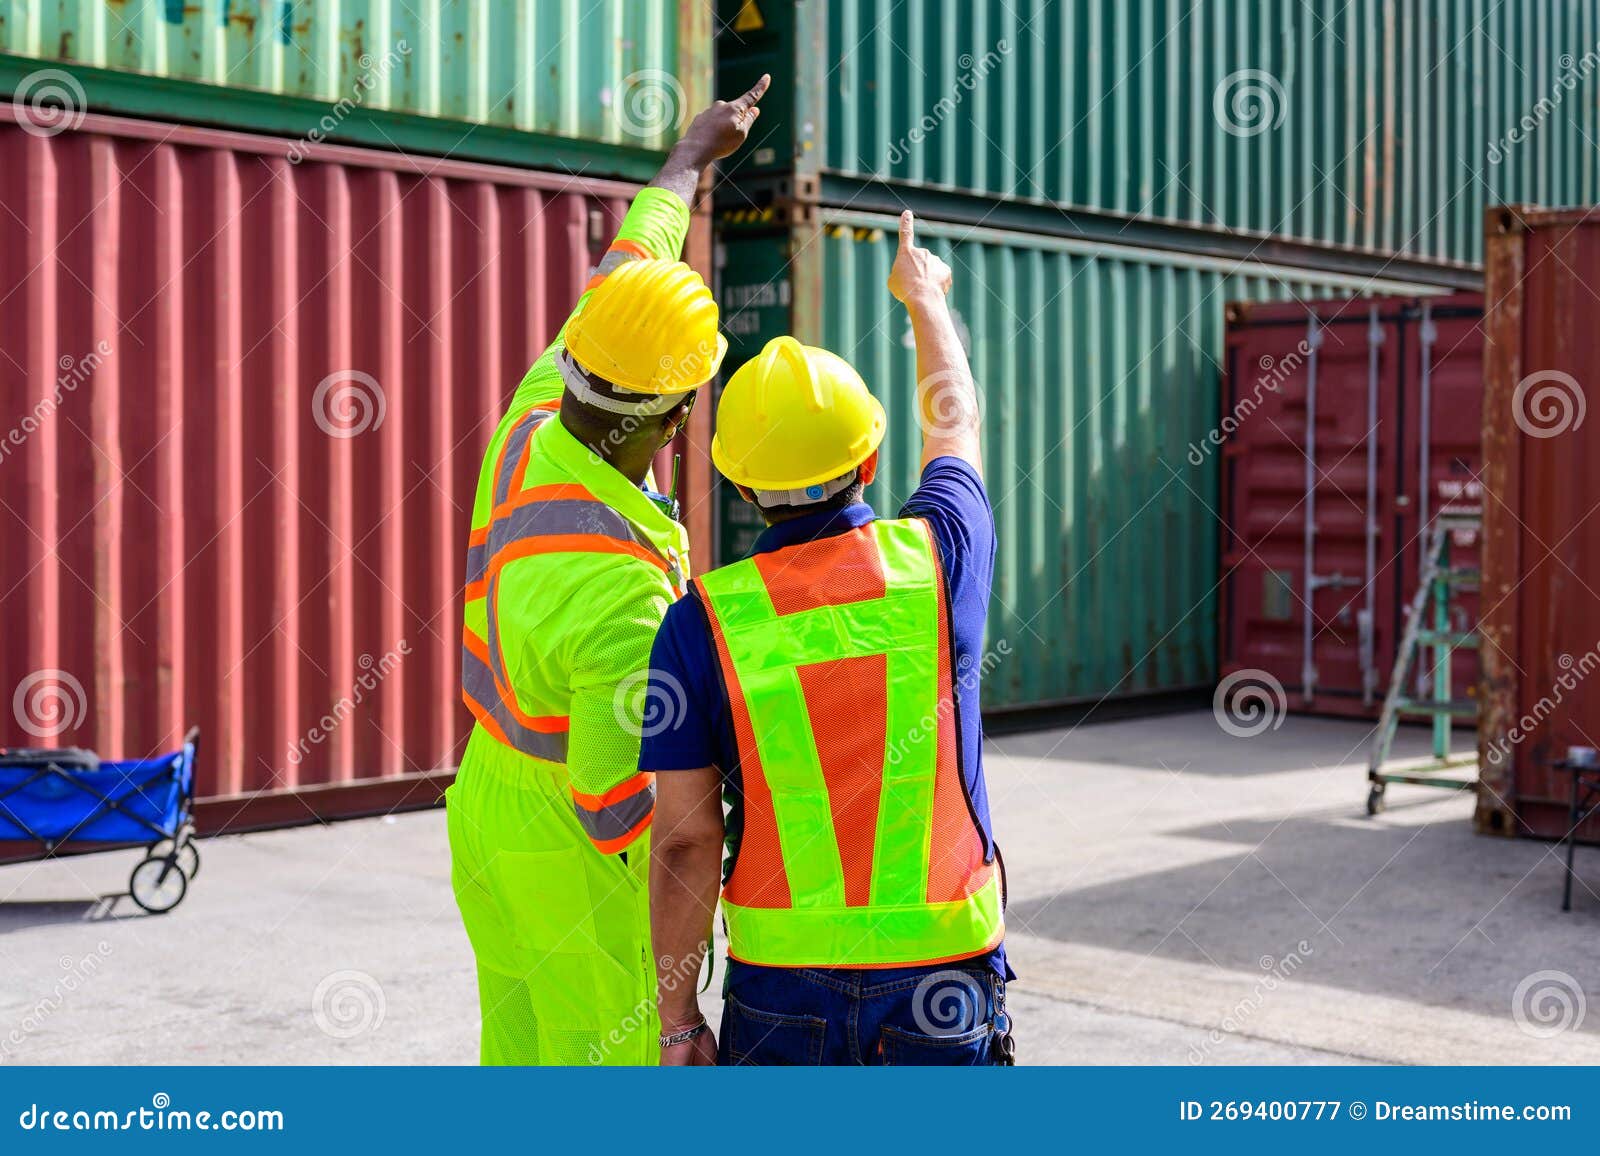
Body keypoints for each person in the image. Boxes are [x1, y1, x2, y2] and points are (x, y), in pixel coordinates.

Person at [447, 75, 770, 1066]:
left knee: (518, 1055)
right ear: (678, 421)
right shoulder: (624, 585)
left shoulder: (533, 415)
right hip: (566, 850)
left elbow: (628, 269)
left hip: (484, 805)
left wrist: (683, 165)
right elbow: (618, 806)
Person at [643, 211, 1015, 1066]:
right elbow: (955, 424)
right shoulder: (937, 560)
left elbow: (687, 839)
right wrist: (925, 301)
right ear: (871, 461)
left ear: (737, 480)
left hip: (781, 990)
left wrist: (675, 1019)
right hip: (941, 979)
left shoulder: (702, 620)